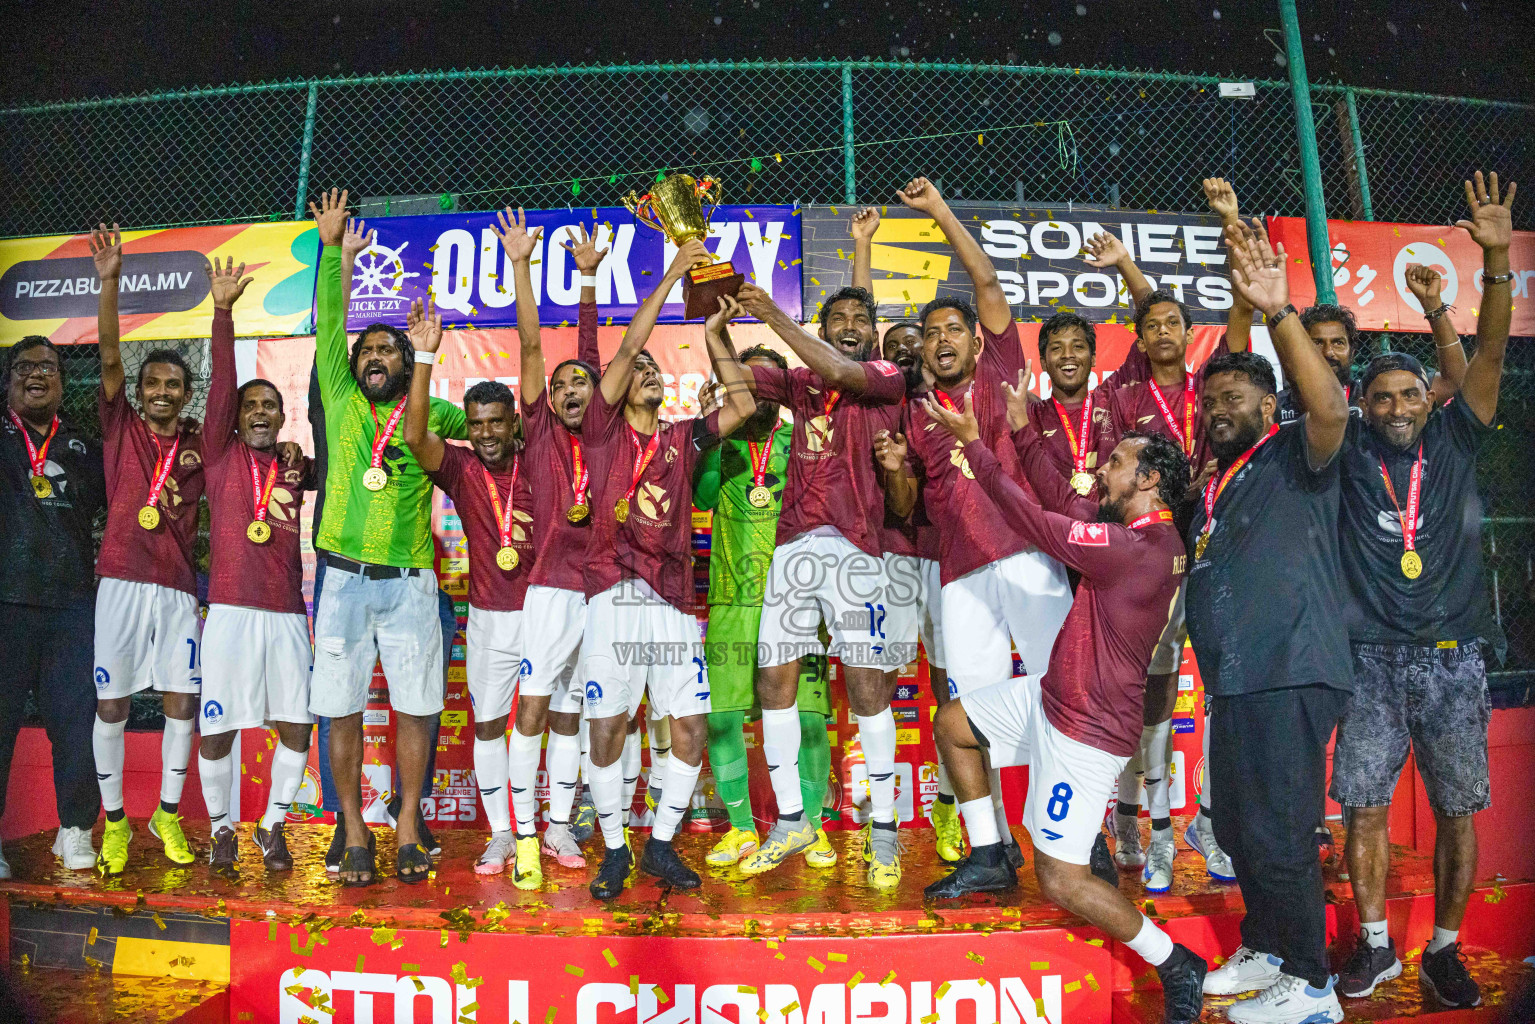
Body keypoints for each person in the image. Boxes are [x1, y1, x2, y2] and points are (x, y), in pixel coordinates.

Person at [920, 392, 1207, 1024]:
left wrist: (975, 442)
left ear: (1150, 478)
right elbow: (1060, 495)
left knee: (1060, 880)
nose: (1103, 469)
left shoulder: (1139, 547)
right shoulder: (1136, 535)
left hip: (1085, 730)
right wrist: (1023, 433)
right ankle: (991, 854)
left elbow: (1034, 518)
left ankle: (1174, 960)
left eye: (1117, 462)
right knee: (954, 724)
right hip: (1051, 698)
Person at [1330, 172, 1515, 1011]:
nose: (1399, 405)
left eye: (1410, 393)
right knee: (1363, 809)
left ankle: (1442, 950)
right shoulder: (1339, 457)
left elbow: (1491, 356)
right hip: (1367, 660)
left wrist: (1493, 262)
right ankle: (1373, 950)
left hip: (1452, 659)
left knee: (1455, 811)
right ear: (1361, 406)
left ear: (1428, 400)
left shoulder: (1453, 439)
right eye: (1383, 396)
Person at [878, 176, 1074, 878]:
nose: (939, 341)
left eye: (951, 329)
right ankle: (988, 849)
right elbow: (907, 507)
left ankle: (1086, 843)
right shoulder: (914, 409)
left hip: (1025, 556)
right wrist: (898, 466)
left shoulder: (999, 369)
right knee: (966, 716)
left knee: (1063, 694)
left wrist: (936, 211)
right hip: (958, 576)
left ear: (974, 339)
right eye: (928, 335)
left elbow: (986, 282)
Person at [1189, 219, 1352, 1024]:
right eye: (1210, 399)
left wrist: (1277, 313)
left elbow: (1327, 406)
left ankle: (1313, 985)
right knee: (1241, 828)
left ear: (1267, 403)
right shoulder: (1216, 482)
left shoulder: (1296, 453)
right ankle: (1266, 946)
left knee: (1283, 831)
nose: (1219, 408)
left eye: (1235, 398)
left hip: (1291, 667)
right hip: (1238, 680)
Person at [581, 244, 758, 900]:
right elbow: (628, 345)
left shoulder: (683, 436)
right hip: (613, 596)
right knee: (607, 726)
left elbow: (740, 405)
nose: (649, 371)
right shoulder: (599, 431)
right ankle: (613, 849)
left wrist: (715, 335)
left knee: (687, 729)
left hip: (677, 602)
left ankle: (658, 845)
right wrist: (674, 275)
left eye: (658, 369)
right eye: (640, 370)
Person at [1088, 177, 1250, 890]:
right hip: (1151, 563)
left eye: (1172, 323)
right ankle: (1148, 827)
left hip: (1211, 558)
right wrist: (1128, 270)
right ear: (1137, 333)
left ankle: (1206, 824)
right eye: (1148, 323)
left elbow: (1242, 322)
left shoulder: (1208, 386)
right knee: (1148, 696)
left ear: (1187, 335)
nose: (1160, 331)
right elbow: (1143, 303)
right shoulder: (1125, 390)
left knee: (1218, 692)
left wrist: (1230, 224)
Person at [307, 188, 469, 887]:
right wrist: (333, 250)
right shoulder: (341, 396)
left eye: (387, 350)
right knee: (339, 709)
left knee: (418, 707)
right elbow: (329, 325)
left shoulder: (430, 407)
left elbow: (492, 438)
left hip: (410, 584)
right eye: (367, 349)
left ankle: (406, 826)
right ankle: (352, 831)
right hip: (341, 579)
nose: (374, 356)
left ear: (406, 362)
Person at [730, 278, 910, 885]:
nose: (850, 325)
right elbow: (740, 382)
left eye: (862, 317)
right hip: (791, 547)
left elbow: (840, 371)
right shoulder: (800, 383)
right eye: (838, 317)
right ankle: (790, 822)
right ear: (824, 324)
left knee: (866, 691)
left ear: (873, 331)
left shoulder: (885, 376)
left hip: (858, 552)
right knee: (773, 680)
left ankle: (882, 830)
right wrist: (713, 329)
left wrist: (772, 315)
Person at [401, 284, 544, 885]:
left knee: (551, 723)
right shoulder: (459, 467)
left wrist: (521, 269)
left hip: (546, 612)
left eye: (496, 423)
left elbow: (535, 354)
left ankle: (546, 828)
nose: (485, 434)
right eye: (477, 423)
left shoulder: (542, 458)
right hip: (487, 616)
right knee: (489, 725)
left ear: (514, 423)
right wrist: (425, 358)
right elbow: (413, 437)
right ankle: (501, 834)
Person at [87, 223, 206, 874]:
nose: (161, 392)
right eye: (151, 384)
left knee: (181, 700)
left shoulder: (200, 442)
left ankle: (165, 812)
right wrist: (110, 283)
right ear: (139, 393)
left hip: (178, 589)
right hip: (122, 582)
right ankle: (113, 823)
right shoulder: (119, 425)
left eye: (172, 386)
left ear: (185, 394)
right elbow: (109, 357)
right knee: (111, 703)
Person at [692, 348, 837, 872]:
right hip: (731, 598)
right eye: (744, 383)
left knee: (810, 720)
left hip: (795, 599)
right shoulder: (725, 442)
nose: (754, 393)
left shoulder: (801, 442)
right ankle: (741, 828)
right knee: (724, 718)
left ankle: (810, 825)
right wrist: (714, 439)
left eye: (762, 383)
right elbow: (706, 496)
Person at [196, 257, 316, 877]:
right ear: (238, 419)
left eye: (271, 405)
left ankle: (271, 828)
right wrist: (223, 312)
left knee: (296, 727)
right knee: (220, 729)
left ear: (282, 414)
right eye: (252, 407)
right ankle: (222, 829)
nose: (261, 413)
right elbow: (221, 385)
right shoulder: (219, 454)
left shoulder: (296, 465)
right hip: (231, 612)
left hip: (288, 614)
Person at [498, 211, 608, 874]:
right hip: (549, 591)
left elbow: (592, 357)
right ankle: (523, 834)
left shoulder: (604, 434)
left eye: (580, 385)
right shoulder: (537, 430)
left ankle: (561, 827)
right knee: (535, 709)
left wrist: (589, 282)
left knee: (573, 713)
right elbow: (535, 349)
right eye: (560, 386)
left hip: (603, 592)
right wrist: (521, 266)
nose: (569, 389)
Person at [850, 205, 958, 862]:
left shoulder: (949, 404)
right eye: (891, 350)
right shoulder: (870, 399)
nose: (901, 353)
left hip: (948, 559)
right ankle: (883, 823)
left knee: (951, 687)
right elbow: (858, 331)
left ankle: (949, 807)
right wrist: (861, 246)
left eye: (911, 344)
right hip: (887, 558)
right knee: (878, 689)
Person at [0, 335, 106, 876]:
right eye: (24, 367)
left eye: (48, 367)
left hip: (70, 609)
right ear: (8, 380)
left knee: (76, 723)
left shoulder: (84, 446)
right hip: (6, 606)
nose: (36, 374)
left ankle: (74, 830)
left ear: (63, 383)